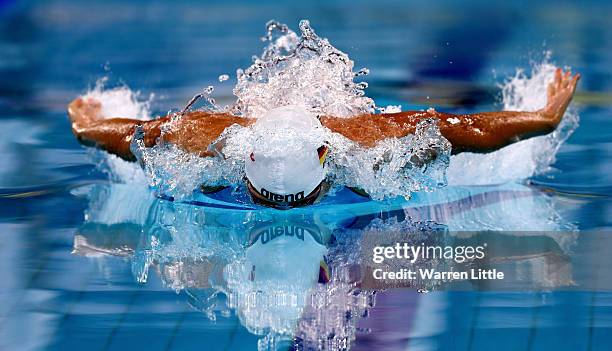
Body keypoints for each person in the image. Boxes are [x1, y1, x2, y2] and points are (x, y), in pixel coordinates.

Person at [68, 68, 579, 208]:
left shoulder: (365, 145)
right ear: (242, 167)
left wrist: (544, 118)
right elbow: (139, 137)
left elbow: (458, 130)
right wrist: (89, 129)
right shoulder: (209, 141)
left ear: (325, 164)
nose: (285, 212)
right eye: (262, 199)